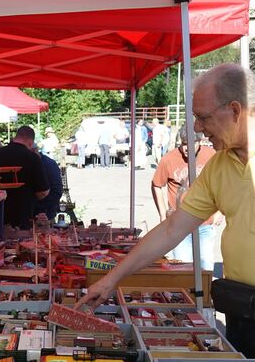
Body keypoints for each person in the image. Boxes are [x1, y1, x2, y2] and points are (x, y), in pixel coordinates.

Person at [76, 64, 255, 358]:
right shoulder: (218, 166)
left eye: (202, 117)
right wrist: (111, 279)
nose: (196, 128)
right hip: (241, 310)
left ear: (235, 110)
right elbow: (172, 229)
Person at [151, 124, 217, 270]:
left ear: (200, 142)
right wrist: (163, 214)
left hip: (205, 222)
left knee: (205, 265)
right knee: (182, 265)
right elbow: (156, 184)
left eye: (191, 143)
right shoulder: (169, 159)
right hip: (179, 222)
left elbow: (221, 184)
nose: (187, 148)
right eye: (184, 144)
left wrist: (219, 212)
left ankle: (206, 293)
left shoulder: (211, 155)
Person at [0, 126, 50, 229]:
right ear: (30, 142)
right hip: (23, 215)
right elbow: (43, 191)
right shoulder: (32, 158)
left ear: (15, 137)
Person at [32, 144, 62, 221]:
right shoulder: (47, 163)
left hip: (44, 212)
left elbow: (56, 191)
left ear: (34, 150)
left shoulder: (48, 164)